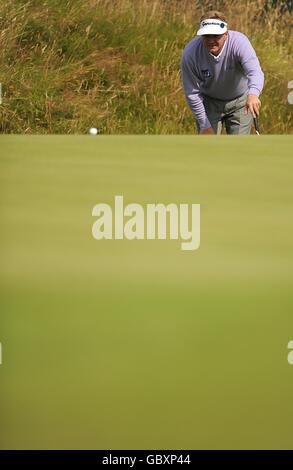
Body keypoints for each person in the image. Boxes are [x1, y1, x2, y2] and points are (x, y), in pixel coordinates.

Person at [181, 11, 264, 135]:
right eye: (206, 35)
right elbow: (192, 93)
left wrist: (253, 94)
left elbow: (255, 72)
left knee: (238, 150)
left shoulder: (239, 43)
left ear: (226, 33)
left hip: (240, 102)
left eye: (216, 35)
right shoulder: (191, 53)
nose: (211, 40)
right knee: (209, 150)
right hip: (209, 104)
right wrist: (204, 125)